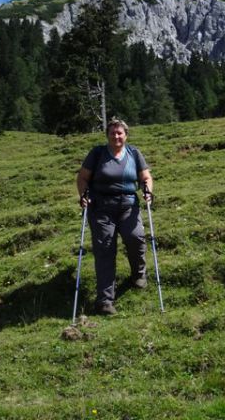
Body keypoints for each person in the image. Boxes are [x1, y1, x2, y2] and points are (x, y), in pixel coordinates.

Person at [76, 117, 154, 315]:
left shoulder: (134, 153)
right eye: (113, 133)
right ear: (107, 136)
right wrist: (83, 194)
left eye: (120, 133)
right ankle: (105, 300)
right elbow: (83, 177)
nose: (116, 136)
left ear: (126, 135)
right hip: (101, 208)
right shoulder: (97, 153)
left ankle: (138, 273)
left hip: (128, 205)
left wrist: (148, 191)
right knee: (105, 249)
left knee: (135, 238)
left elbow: (146, 177)